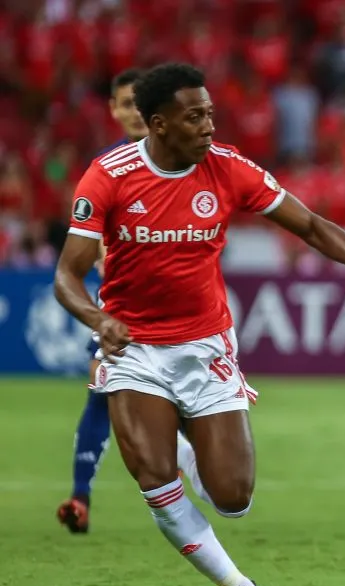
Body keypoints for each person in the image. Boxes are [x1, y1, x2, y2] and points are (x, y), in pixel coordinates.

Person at [54, 62, 345, 586]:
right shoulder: (109, 175)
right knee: (153, 478)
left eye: (211, 113)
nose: (209, 126)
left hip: (206, 347)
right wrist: (99, 319)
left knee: (233, 498)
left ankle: (187, 444)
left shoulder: (228, 168)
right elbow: (66, 276)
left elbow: (309, 225)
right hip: (133, 350)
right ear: (158, 124)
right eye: (194, 117)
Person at [56, 68, 204, 534]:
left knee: (165, 396)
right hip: (123, 306)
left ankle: (179, 459)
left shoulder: (188, 155)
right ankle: (81, 496)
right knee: (102, 394)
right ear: (114, 111)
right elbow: (86, 235)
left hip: (182, 310)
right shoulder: (105, 168)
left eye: (139, 105)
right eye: (124, 105)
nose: (134, 114)